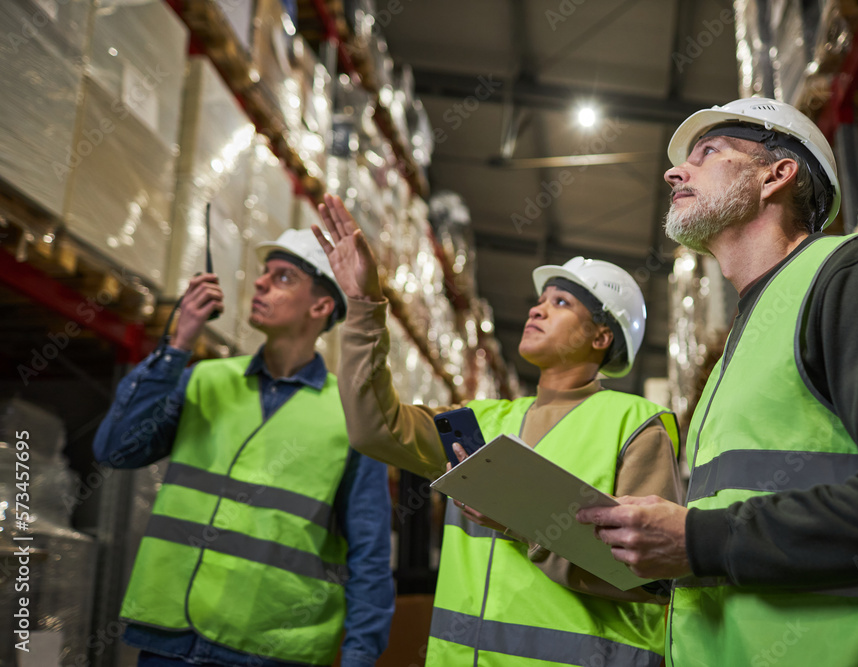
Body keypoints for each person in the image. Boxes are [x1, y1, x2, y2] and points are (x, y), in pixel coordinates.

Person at [577, 97, 858, 666]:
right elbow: (733, 541)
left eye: (707, 153)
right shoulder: (739, 348)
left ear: (778, 174)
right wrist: (640, 548)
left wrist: (697, 539)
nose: (674, 170)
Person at [311, 194, 682, 667]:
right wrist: (365, 303)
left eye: (561, 303)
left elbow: (650, 574)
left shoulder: (633, 424)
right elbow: (374, 428)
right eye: (540, 300)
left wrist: (523, 524)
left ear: (601, 337)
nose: (536, 310)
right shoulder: (482, 422)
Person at [92, 229, 394, 667]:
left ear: (321, 305)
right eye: (263, 274)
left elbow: (370, 553)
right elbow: (115, 450)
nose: (260, 283)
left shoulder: (351, 416)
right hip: (169, 641)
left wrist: (359, 656)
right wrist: (178, 345)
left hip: (271, 651)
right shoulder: (204, 380)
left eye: (283, 277)